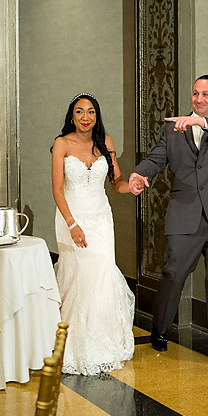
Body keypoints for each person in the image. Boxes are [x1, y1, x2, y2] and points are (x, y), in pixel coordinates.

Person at [129, 75, 208, 369]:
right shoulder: (173, 129)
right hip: (185, 216)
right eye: (195, 93)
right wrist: (139, 174)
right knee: (173, 275)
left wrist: (200, 122)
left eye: (206, 94)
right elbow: (157, 158)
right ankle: (159, 329)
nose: (199, 99)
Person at [51, 93, 136, 375]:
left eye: (90, 112)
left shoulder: (106, 143)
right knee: (78, 278)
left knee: (101, 277)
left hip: (101, 220)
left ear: (96, 116)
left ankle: (102, 345)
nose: (85, 117)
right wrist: (72, 224)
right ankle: (72, 345)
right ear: (71, 116)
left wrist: (132, 186)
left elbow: (117, 182)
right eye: (79, 112)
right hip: (72, 219)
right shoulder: (61, 144)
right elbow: (57, 190)